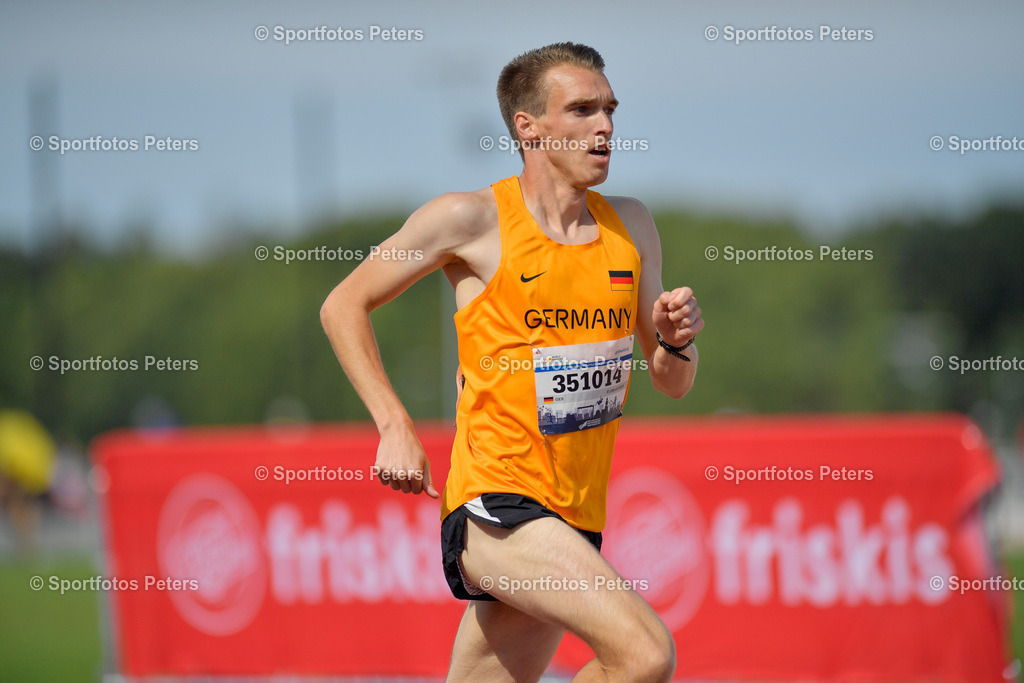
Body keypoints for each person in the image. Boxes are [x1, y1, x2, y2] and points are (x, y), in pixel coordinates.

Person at [321, 42, 703, 683]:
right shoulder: (469, 218)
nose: (605, 125)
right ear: (528, 127)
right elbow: (343, 305)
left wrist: (673, 340)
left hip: (577, 518)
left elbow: (673, 383)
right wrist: (393, 423)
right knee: (645, 654)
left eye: (609, 109)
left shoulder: (631, 226)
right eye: (581, 109)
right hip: (499, 509)